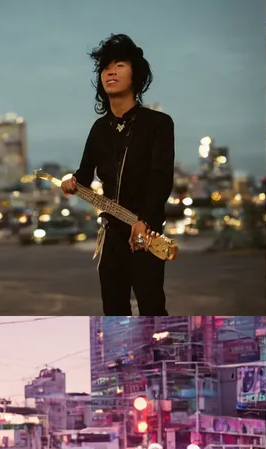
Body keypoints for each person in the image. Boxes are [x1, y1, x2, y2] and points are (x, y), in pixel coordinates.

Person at [67, 34, 175, 316]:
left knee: (152, 308)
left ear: (136, 74)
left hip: (146, 233)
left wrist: (145, 221)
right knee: (113, 311)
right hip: (112, 235)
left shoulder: (158, 124)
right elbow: (84, 175)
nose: (110, 71)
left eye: (119, 65)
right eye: (105, 67)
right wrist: (72, 183)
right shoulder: (99, 129)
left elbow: (161, 177)